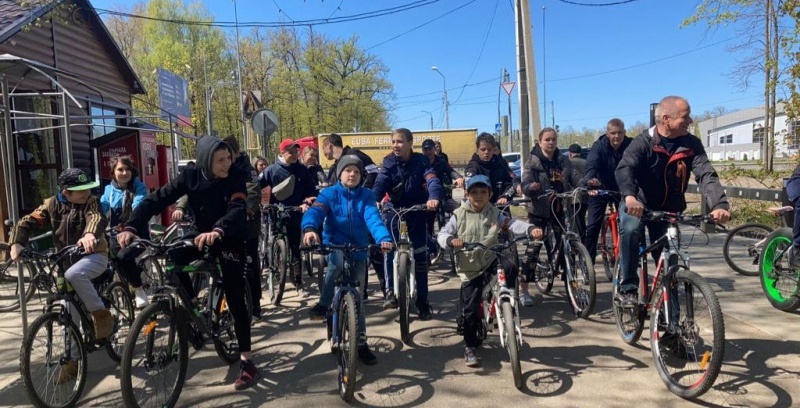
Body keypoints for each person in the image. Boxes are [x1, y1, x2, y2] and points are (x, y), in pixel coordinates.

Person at [115, 135, 259, 390]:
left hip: (229, 236)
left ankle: (247, 362)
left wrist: (219, 230)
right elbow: (156, 199)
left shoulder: (236, 175)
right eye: (220, 160)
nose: (227, 164)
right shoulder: (190, 175)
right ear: (206, 161)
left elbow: (237, 207)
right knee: (173, 258)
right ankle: (192, 309)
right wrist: (132, 227)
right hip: (200, 232)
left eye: (228, 158)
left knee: (235, 295)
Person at [615, 96, 730, 307]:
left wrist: (719, 204)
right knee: (630, 231)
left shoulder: (691, 144)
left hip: (668, 209)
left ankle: (671, 326)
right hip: (638, 204)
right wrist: (630, 196)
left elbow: (706, 174)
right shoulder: (643, 142)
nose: (690, 121)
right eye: (685, 116)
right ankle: (628, 287)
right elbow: (625, 169)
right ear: (666, 119)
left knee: (670, 264)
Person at [10, 168, 112, 384]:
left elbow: (96, 218)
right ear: (65, 192)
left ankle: (100, 314)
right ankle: (71, 363)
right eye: (80, 190)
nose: (86, 193)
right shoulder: (51, 204)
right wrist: (17, 242)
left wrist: (89, 236)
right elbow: (28, 220)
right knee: (68, 312)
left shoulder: (91, 202)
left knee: (74, 273)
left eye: (87, 188)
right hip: (64, 262)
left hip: (94, 256)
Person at [437, 175, 543, 367]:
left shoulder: (494, 212)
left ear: (490, 194)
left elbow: (511, 224)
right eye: (474, 192)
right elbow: (443, 234)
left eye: (483, 192)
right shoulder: (458, 214)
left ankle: (507, 300)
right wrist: (451, 241)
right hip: (469, 267)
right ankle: (470, 346)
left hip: (489, 257)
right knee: (470, 310)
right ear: (467, 194)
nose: (479, 196)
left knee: (510, 266)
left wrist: (530, 228)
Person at [302, 155, 393, 365]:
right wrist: (309, 229)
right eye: (347, 170)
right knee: (335, 265)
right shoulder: (329, 194)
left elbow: (373, 218)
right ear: (340, 173)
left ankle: (361, 343)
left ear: (361, 176)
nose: (352, 174)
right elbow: (316, 211)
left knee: (357, 297)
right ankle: (324, 304)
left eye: (357, 172)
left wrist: (383, 238)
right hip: (335, 243)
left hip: (359, 248)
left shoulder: (367, 196)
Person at [371, 128, 442, 319]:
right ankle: (389, 292)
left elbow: (432, 180)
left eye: (400, 141)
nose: (395, 145)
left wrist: (433, 197)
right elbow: (380, 183)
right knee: (389, 249)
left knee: (420, 255)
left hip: (418, 210)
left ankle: (423, 301)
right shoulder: (388, 162)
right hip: (393, 210)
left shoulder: (421, 161)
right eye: (393, 141)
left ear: (410, 143)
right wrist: (373, 200)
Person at [520, 127, 581, 307]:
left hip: (559, 207)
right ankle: (524, 289)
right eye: (547, 140)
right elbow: (525, 182)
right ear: (540, 142)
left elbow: (574, 177)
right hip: (539, 210)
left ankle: (570, 277)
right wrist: (530, 187)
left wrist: (586, 184)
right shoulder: (532, 161)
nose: (551, 143)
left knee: (567, 240)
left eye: (553, 139)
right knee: (534, 248)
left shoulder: (562, 160)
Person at [259, 138, 318, 300]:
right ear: (282, 153)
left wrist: (307, 202)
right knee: (275, 242)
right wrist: (262, 203)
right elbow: (257, 187)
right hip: (275, 213)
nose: (294, 154)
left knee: (294, 248)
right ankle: (274, 266)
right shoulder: (271, 170)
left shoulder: (302, 170)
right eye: (290, 152)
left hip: (295, 212)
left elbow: (311, 191)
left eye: (296, 151)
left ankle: (299, 284)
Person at [222, 136, 264, 321]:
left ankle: (255, 305)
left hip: (248, 223)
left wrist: (248, 211)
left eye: (227, 155)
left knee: (250, 263)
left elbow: (254, 192)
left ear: (235, 153)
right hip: (226, 223)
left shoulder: (248, 170)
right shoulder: (219, 168)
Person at [580, 118, 633, 263]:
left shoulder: (631, 145)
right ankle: (588, 264)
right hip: (600, 188)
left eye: (620, 133)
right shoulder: (599, 146)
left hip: (622, 188)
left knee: (630, 225)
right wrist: (590, 181)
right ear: (607, 133)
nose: (616, 136)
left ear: (624, 132)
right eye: (613, 133)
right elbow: (591, 165)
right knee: (592, 226)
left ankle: (630, 261)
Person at [100, 155, 149, 308]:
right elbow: (102, 208)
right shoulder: (109, 190)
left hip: (137, 235)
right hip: (115, 235)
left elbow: (138, 207)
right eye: (120, 169)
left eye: (128, 169)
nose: (124, 172)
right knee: (107, 260)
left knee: (123, 256)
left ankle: (138, 289)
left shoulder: (139, 187)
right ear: (113, 172)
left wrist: (130, 225)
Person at [421, 138, 463, 236]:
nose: (428, 152)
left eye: (430, 149)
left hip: (441, 194)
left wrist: (458, 178)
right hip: (425, 196)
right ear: (423, 150)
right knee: (428, 221)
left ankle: (455, 234)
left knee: (458, 210)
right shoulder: (420, 161)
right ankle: (429, 242)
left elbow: (450, 171)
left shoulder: (440, 161)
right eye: (425, 149)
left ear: (434, 149)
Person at [465, 133, 517, 206]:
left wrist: (505, 196)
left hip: (499, 206)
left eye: (489, 149)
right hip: (480, 208)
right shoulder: (473, 166)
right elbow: (468, 184)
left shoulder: (500, 164)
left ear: (493, 150)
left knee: (506, 217)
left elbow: (511, 185)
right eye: (483, 149)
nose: (486, 152)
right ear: (477, 151)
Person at [567, 144, 588, 239]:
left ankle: (578, 242)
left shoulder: (568, 163)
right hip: (586, 195)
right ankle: (583, 241)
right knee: (582, 219)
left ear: (570, 153)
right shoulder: (586, 162)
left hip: (573, 197)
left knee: (574, 222)